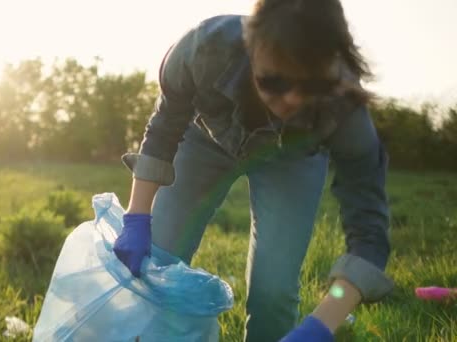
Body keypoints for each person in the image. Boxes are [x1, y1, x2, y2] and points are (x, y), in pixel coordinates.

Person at [113, 0, 394, 340]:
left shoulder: (346, 111)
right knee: (157, 256)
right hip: (204, 138)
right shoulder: (203, 48)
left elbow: (369, 233)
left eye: (308, 86)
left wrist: (321, 326)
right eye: (274, 81)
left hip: (292, 159)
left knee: (273, 292)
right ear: (252, 45)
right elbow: (163, 129)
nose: (289, 100)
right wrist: (137, 217)